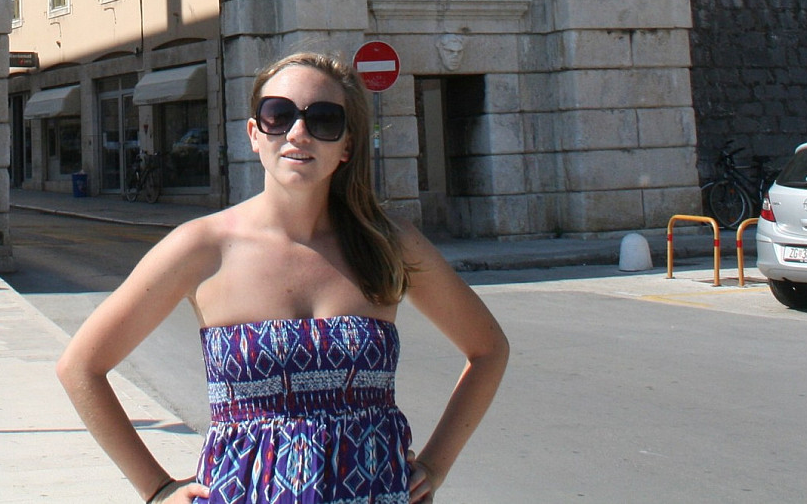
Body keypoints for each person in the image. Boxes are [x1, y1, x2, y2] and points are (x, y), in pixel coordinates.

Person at [58, 51, 509, 504]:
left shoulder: (389, 242)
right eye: (279, 115)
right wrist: (156, 490)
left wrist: (435, 465)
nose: (298, 133)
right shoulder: (200, 246)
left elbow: (488, 350)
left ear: (347, 145)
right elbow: (80, 367)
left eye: (324, 120)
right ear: (255, 134)